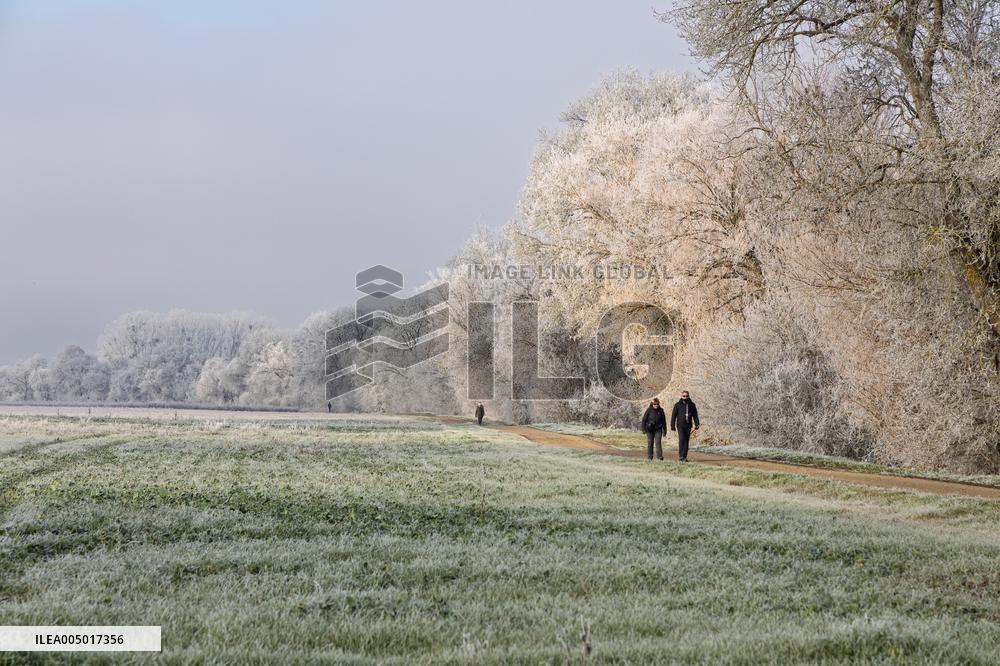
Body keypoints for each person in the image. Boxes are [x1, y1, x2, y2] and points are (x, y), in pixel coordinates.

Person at [670, 390, 699, 462]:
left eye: (686, 396)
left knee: (686, 441)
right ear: (681, 396)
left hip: (688, 425)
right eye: (684, 396)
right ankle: (681, 456)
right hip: (680, 425)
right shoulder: (677, 405)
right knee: (681, 439)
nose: (685, 397)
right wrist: (672, 426)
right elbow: (673, 416)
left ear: (688, 396)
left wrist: (697, 424)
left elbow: (695, 415)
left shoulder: (692, 405)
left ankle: (684, 457)